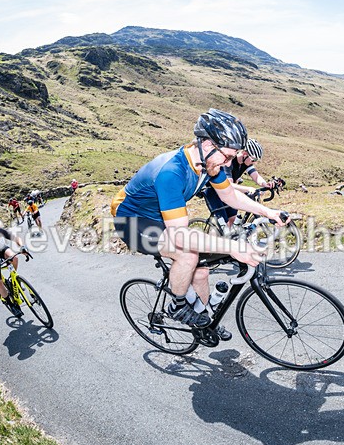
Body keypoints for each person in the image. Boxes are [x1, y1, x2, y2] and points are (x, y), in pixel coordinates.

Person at [111, 109, 286, 339]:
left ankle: (205, 321)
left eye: (232, 157)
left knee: (202, 271)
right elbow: (180, 236)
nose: (229, 162)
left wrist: (268, 212)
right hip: (133, 222)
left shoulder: (209, 165)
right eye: (228, 156)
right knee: (188, 256)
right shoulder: (172, 172)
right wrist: (234, 247)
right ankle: (177, 304)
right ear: (207, 146)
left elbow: (229, 196)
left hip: (160, 217)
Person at [200, 138, 275, 233]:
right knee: (224, 226)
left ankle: (227, 244)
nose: (254, 162)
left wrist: (265, 184)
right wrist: (248, 189)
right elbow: (228, 185)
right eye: (254, 159)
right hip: (214, 192)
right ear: (245, 154)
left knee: (233, 221)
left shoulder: (246, 162)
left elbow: (256, 176)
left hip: (227, 193)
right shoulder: (228, 161)